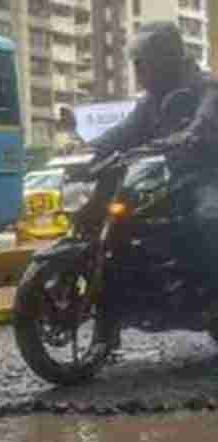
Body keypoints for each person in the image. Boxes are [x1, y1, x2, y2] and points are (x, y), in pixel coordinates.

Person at [89, 21, 218, 322]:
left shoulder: (207, 89)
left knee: (210, 215)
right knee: (133, 213)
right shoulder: (152, 100)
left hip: (210, 174)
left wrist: (186, 136)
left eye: (143, 63)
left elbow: (204, 124)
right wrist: (90, 148)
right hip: (179, 179)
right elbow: (125, 131)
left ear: (165, 60)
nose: (138, 70)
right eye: (135, 63)